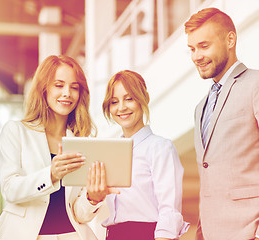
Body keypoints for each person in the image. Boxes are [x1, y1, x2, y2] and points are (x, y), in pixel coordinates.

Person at [0, 55, 104, 240]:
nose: (67, 93)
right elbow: (10, 190)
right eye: (59, 85)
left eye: (74, 87)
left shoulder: (82, 141)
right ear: (44, 88)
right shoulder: (16, 131)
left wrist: (93, 198)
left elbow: (79, 214)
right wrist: (51, 174)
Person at [77, 70, 189, 240]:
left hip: (148, 235)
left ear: (144, 98)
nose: (121, 107)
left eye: (129, 99)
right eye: (114, 102)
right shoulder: (108, 153)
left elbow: (169, 210)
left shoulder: (160, 148)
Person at [185, 7, 259, 240]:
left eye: (204, 46)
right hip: (208, 232)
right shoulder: (200, 108)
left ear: (230, 40)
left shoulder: (255, 85)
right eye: (192, 49)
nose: (196, 56)